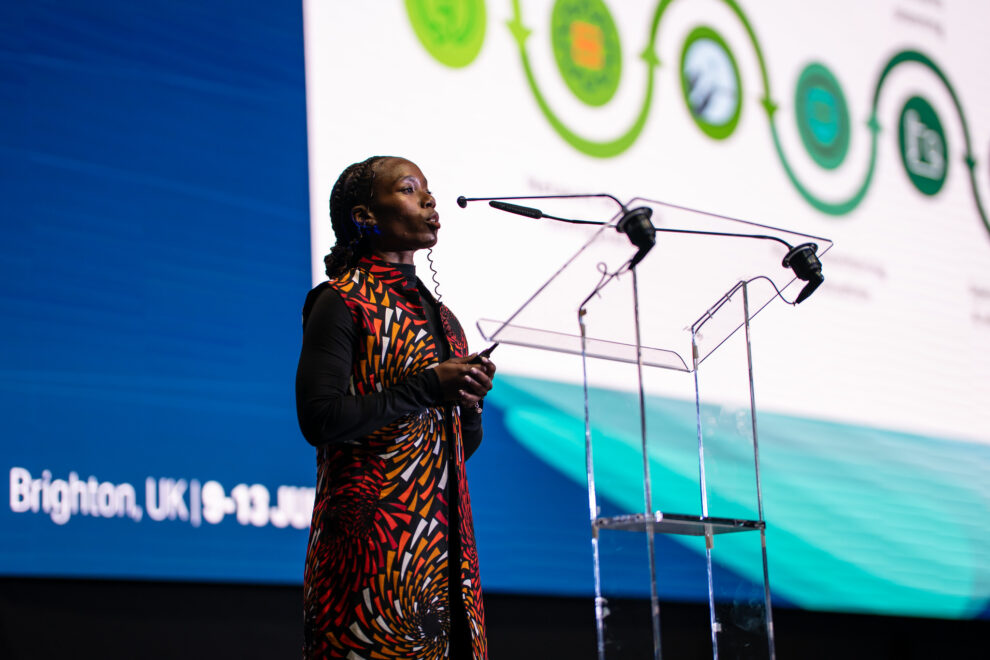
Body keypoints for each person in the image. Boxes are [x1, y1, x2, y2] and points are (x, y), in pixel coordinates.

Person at [295, 156, 495, 659]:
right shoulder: (340, 302)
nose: (429, 199)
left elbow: (456, 450)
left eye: (427, 189)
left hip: (448, 568)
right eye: (409, 189)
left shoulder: (445, 319)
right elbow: (318, 419)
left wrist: (468, 405)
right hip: (372, 561)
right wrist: (427, 387)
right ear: (365, 216)